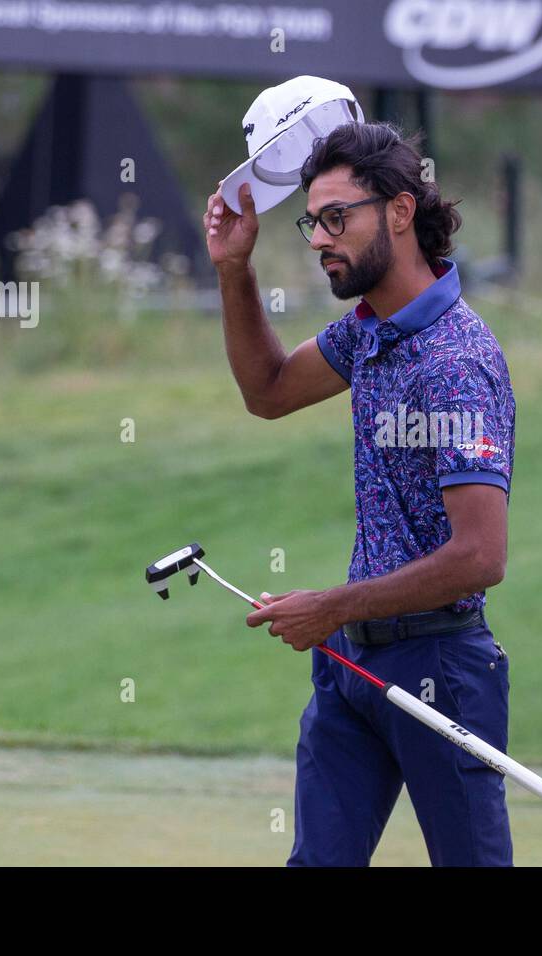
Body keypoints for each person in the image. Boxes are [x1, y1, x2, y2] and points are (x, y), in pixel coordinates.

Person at [204, 121, 516, 867]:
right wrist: (232, 269)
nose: (318, 238)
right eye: (313, 220)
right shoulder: (369, 332)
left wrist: (333, 606)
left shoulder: (456, 362)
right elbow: (270, 391)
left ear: (400, 212)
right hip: (353, 670)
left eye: (337, 217)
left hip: (441, 671)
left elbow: (480, 556)